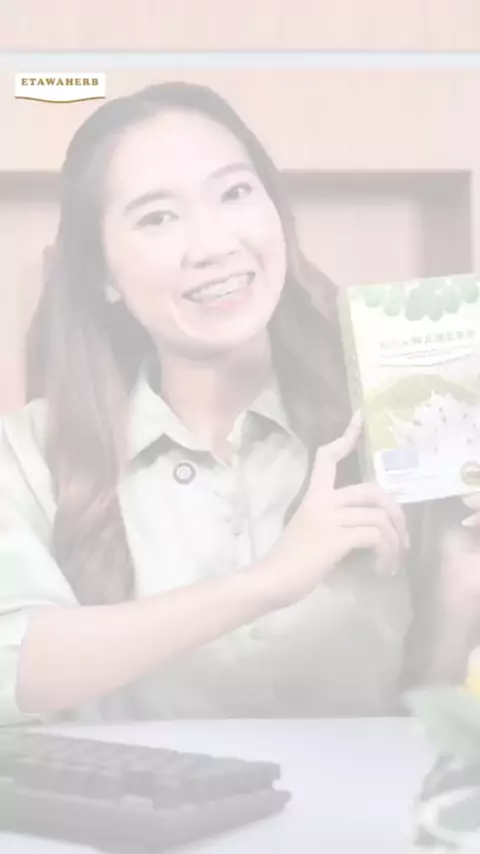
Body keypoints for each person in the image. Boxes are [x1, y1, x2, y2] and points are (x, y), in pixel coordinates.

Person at [0, 82, 472, 726]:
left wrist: (461, 577)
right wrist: (265, 583)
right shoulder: (30, 451)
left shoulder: (396, 419)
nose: (214, 245)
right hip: (129, 798)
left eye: (234, 193)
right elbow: (12, 669)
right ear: (103, 274)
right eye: (157, 218)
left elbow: (422, 721)